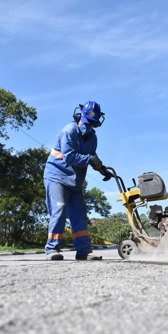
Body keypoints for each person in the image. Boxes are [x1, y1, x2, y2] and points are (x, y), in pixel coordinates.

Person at [43, 101, 111, 261]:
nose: (88, 126)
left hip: (75, 181)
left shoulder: (93, 138)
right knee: (59, 210)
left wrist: (102, 168)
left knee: (80, 214)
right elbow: (69, 156)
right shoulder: (69, 131)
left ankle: (84, 251)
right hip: (57, 177)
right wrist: (91, 159)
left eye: (92, 124)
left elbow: (92, 156)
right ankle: (52, 249)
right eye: (87, 122)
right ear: (80, 117)